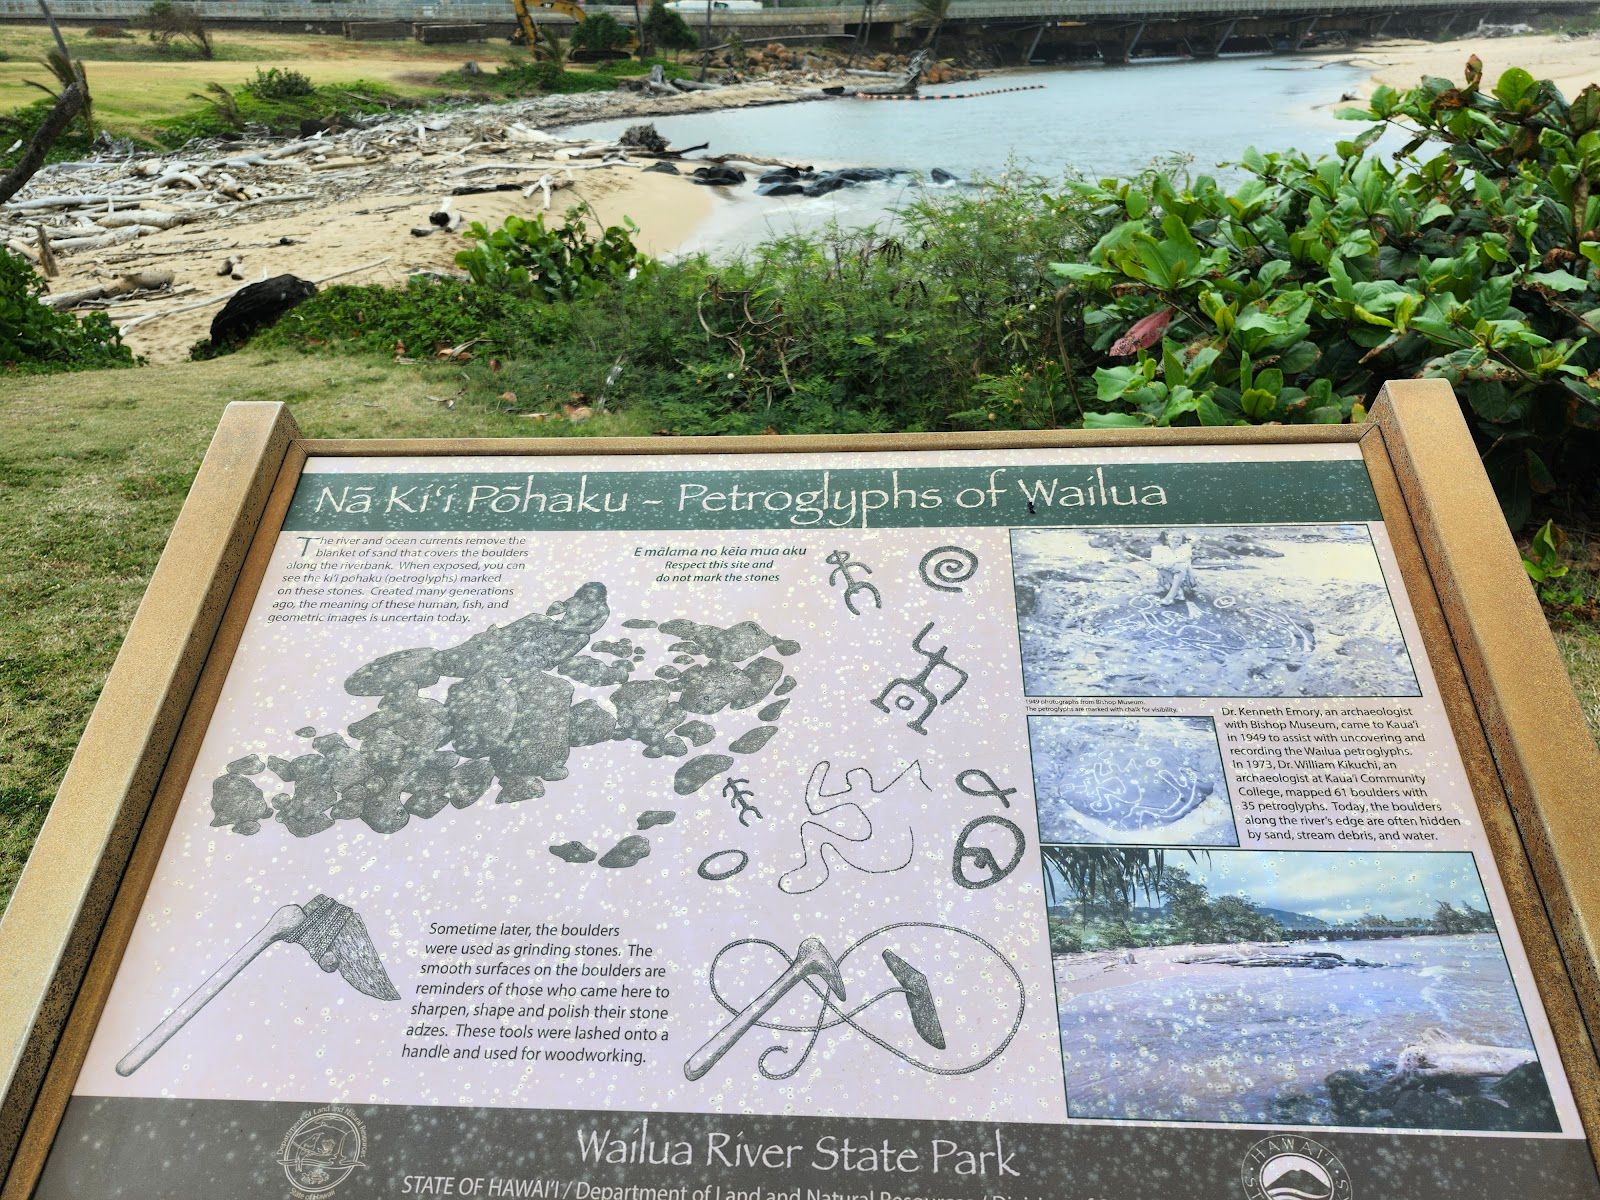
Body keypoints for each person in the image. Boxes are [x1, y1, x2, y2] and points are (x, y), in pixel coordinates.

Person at [1150, 530, 1197, 605]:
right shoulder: (1159, 549)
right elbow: (1153, 562)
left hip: (1184, 576)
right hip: (1167, 576)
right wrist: (1164, 565)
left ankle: (1169, 597)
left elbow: (1185, 559)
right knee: (1161, 569)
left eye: (1178, 537)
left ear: (1182, 539)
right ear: (1167, 537)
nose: (1176, 539)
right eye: (1173, 537)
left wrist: (1171, 563)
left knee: (1181, 566)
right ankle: (1179, 591)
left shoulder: (1186, 547)